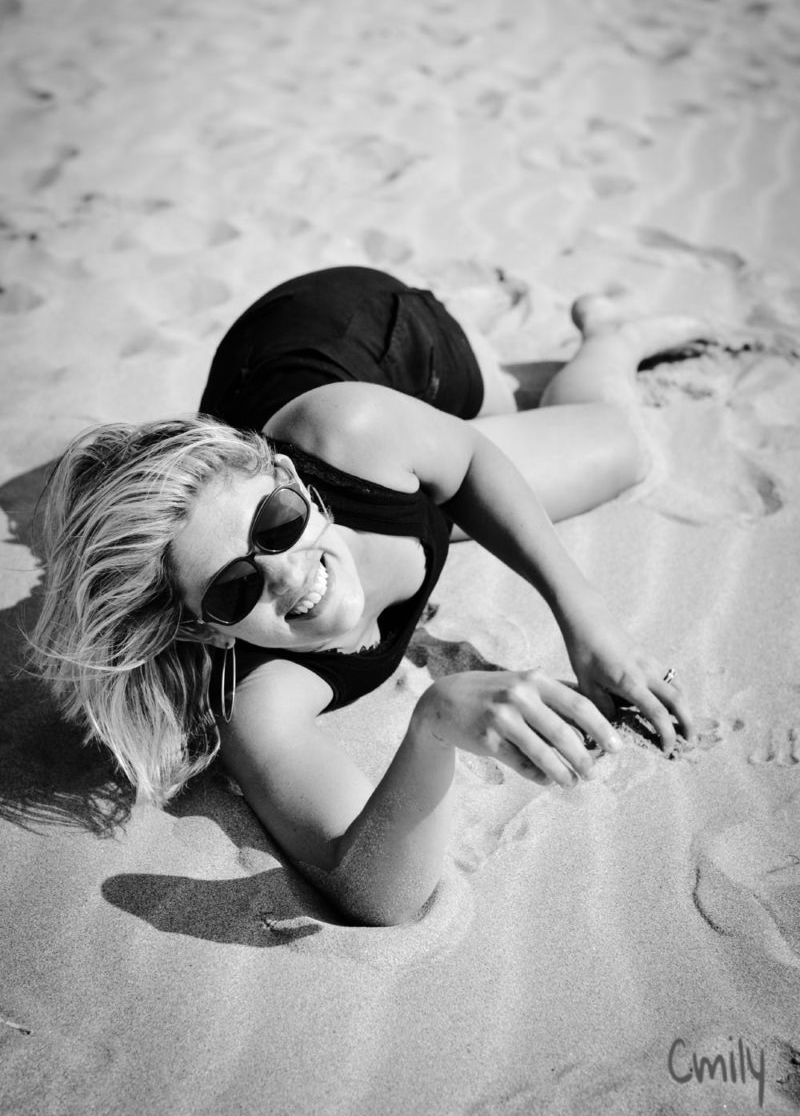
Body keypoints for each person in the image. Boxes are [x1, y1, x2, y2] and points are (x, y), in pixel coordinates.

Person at [32, 265, 701, 925]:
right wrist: (433, 729)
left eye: (276, 523)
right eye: (235, 589)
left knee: (615, 443)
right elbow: (375, 889)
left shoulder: (349, 431)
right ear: (207, 629)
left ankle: (609, 337)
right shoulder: (255, 696)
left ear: (290, 477)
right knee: (502, 472)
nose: (288, 574)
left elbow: (467, 457)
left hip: (363, 332)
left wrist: (586, 621)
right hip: (317, 425)